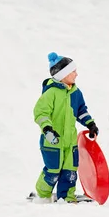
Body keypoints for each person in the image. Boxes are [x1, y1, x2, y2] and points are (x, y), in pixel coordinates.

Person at [33, 52, 99, 203]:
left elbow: (81, 111)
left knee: (70, 171)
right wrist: (47, 129)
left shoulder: (75, 92)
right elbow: (41, 113)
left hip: (70, 142)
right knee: (53, 171)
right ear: (63, 74)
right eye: (73, 71)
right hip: (53, 141)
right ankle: (42, 195)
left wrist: (90, 124)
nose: (76, 74)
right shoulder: (51, 93)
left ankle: (67, 197)